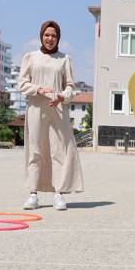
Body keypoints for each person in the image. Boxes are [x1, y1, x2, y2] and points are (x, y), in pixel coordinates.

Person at [19, 20, 84, 210]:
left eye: (54, 36)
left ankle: (59, 193)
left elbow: (71, 85)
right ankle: (33, 193)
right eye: (47, 35)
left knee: (59, 151)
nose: (50, 39)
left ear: (58, 38)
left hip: (57, 110)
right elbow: (22, 84)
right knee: (35, 150)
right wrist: (39, 89)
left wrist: (62, 96)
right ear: (41, 36)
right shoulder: (30, 57)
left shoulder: (65, 59)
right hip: (36, 110)